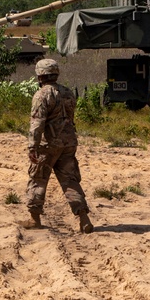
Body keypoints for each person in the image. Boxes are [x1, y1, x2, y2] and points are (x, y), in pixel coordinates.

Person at [22, 58, 93, 233]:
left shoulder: (41, 95)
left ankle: (34, 218)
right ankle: (83, 218)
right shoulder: (68, 92)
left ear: (40, 76)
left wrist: (33, 146)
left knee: (38, 179)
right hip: (68, 143)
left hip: (48, 145)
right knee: (70, 180)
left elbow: (37, 123)